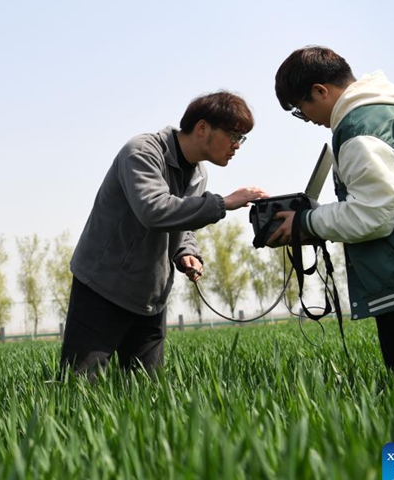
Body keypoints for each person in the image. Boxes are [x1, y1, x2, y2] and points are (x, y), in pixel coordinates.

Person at [59, 91, 269, 379]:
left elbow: (182, 222)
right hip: (103, 288)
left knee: (148, 395)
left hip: (150, 296)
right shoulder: (142, 152)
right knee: (81, 388)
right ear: (203, 128)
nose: (237, 146)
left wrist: (187, 252)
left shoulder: (198, 174)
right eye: (234, 135)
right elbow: (154, 210)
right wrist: (223, 203)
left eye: (241, 139)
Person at [270, 46, 394, 384]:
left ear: (320, 91)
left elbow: (374, 214)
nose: (307, 120)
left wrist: (306, 222)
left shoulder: (359, 127)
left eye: (300, 109)